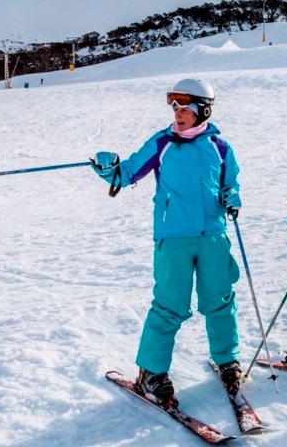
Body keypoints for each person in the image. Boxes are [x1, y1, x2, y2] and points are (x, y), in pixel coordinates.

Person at [90, 78, 243, 406]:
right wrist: (107, 167)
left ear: (202, 110)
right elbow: (126, 173)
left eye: (184, 107)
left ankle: (227, 358)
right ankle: (151, 372)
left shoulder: (219, 146)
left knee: (220, 299)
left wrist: (232, 196)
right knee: (170, 304)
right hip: (173, 237)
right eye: (174, 106)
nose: (177, 113)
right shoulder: (162, 143)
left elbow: (230, 181)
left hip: (214, 235)